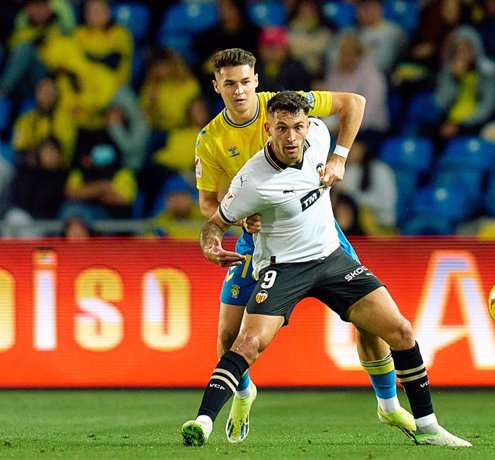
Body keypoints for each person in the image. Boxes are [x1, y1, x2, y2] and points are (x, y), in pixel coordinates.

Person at [182, 91, 472, 448]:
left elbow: (354, 103)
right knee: (247, 342)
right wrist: (212, 245)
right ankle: (203, 421)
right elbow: (213, 224)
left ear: (308, 126)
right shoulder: (251, 181)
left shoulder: (319, 136)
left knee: (400, 330)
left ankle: (427, 428)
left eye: (298, 127)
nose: (291, 137)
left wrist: (341, 156)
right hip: (283, 267)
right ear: (268, 128)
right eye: (282, 129)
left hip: (331, 259)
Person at [191, 48, 414, 444]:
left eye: (245, 81)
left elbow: (353, 103)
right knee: (228, 338)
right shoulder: (209, 140)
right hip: (257, 238)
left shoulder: (284, 107)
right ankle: (243, 394)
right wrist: (242, 220)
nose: (239, 91)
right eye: (230, 84)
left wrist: (340, 157)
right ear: (216, 87)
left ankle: (389, 405)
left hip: (317, 230)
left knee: (369, 320)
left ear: (256, 80)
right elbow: (209, 204)